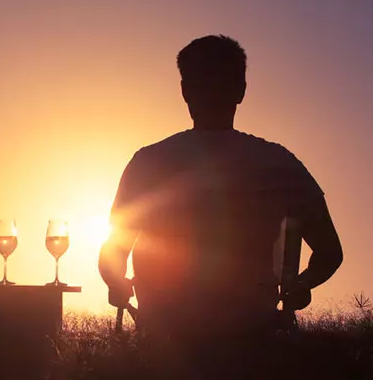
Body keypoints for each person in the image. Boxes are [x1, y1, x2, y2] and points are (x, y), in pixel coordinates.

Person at [99, 35, 343, 342]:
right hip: (252, 339)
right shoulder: (280, 163)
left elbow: (113, 251)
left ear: (185, 91)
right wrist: (301, 286)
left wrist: (117, 284)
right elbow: (329, 252)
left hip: (165, 343)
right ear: (241, 90)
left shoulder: (148, 161)